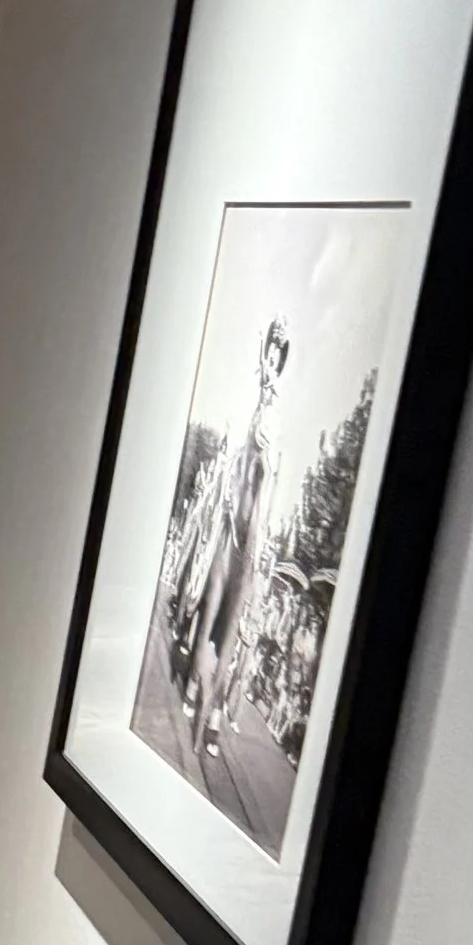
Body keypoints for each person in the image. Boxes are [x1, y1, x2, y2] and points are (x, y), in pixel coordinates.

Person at [165, 319, 289, 758]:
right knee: (211, 584)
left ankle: (215, 709)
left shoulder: (275, 418)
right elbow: (237, 471)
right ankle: (195, 682)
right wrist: (260, 353)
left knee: (233, 628)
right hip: (230, 517)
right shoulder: (258, 403)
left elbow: (264, 475)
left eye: (278, 353)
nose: (272, 359)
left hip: (249, 531)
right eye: (270, 352)